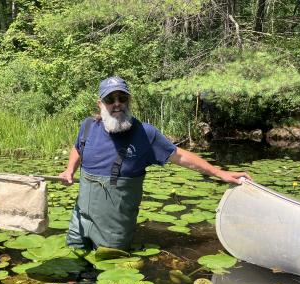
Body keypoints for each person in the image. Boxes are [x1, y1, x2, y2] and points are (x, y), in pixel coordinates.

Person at [59, 76, 250, 251]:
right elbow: (78, 148)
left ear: (129, 101)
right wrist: (69, 170)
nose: (117, 104)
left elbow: (180, 157)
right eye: (110, 99)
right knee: (74, 262)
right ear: (100, 104)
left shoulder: (145, 134)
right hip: (81, 219)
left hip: (114, 229)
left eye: (122, 98)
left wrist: (220, 173)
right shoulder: (88, 126)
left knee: (110, 269)